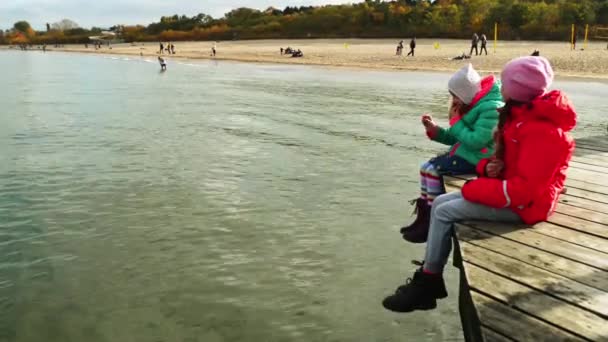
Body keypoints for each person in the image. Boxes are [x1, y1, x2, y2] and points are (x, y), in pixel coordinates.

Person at [383, 56, 576, 313]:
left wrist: (473, 189)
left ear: (517, 89)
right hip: (515, 195)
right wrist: (488, 168)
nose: (500, 86)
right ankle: (430, 274)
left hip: (528, 206)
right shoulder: (520, 118)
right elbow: (506, 164)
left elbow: (525, 190)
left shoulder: (542, 131)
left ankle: (429, 282)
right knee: (440, 203)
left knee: (444, 209)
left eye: (505, 83)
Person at [400, 63, 503, 243]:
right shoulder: (473, 104)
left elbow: (475, 140)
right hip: (466, 154)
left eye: (455, 95)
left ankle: (431, 218)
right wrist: (435, 131)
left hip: (478, 158)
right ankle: (423, 216)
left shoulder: (490, 108)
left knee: (432, 170)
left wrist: (456, 122)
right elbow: (457, 138)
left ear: (465, 93)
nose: (453, 99)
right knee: (425, 167)